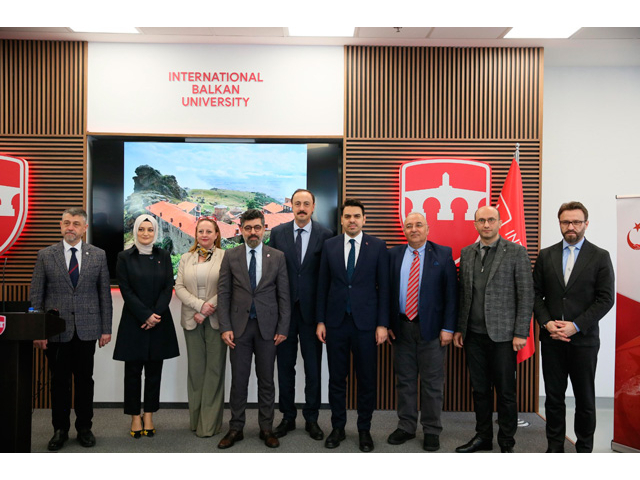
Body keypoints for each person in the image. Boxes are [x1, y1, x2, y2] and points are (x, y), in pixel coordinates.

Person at [533, 201, 614, 453]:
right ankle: (555, 448)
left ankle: (584, 450)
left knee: (585, 400)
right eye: (565, 222)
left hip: (584, 341)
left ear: (586, 224)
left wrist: (576, 326)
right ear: (559, 224)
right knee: (554, 399)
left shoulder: (600, 256)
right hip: (552, 339)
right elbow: (535, 295)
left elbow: (605, 299)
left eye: (576, 222)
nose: (571, 226)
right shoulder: (546, 255)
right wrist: (547, 324)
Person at [30, 207, 113, 451]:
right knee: (59, 382)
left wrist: (106, 328)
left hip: (88, 329)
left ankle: (85, 428)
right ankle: (60, 429)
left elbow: (104, 295)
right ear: (60, 225)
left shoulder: (98, 255)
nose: (71, 227)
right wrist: (38, 330)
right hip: (56, 331)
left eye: (76, 223)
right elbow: (36, 295)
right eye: (66, 222)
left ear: (85, 228)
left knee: (85, 382)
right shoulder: (46, 255)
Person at [453, 205, 534, 453]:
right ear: (475, 224)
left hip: (504, 337)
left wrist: (521, 332)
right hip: (473, 336)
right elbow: (463, 295)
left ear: (499, 223)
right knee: (480, 390)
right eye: (481, 221)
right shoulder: (467, 253)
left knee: (506, 392)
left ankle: (507, 442)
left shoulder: (516, 252)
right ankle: (483, 437)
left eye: (491, 220)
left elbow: (526, 294)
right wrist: (459, 329)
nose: (486, 224)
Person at [316, 198, 389, 452]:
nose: (352, 220)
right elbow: (322, 286)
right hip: (335, 324)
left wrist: (382, 324)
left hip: (367, 325)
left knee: (367, 379)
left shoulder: (378, 246)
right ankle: (337, 427)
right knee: (337, 379)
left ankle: (364, 429)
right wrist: (321, 320)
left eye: (357, 216)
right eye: (347, 216)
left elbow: (385, 289)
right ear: (342, 219)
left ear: (364, 219)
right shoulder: (330, 245)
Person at [217, 209, 290, 449]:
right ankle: (235, 428)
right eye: (248, 228)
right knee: (239, 381)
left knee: (267, 381)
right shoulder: (231, 256)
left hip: (268, 330)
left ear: (264, 228)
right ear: (241, 229)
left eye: (257, 227)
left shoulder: (277, 256)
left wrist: (283, 327)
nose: (253, 232)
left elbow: (284, 296)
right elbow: (224, 293)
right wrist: (225, 327)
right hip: (238, 329)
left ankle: (266, 428)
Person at [386, 212, 458, 452]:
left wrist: (448, 328)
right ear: (404, 230)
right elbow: (386, 292)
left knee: (432, 383)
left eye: (418, 225)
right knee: (404, 381)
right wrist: (387, 324)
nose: (414, 229)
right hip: (401, 328)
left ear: (427, 228)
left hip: (433, 331)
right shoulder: (393, 255)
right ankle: (406, 426)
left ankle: (431, 429)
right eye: (409, 226)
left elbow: (451, 295)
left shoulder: (443, 254)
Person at [270, 189, 333, 440]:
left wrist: (322, 318)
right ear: (292, 206)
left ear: (314, 207)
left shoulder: (326, 235)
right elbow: (271, 274)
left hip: (312, 316)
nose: (302, 208)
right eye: (298, 203)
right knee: (285, 368)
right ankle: (287, 417)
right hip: (284, 314)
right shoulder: (277, 233)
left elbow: (326, 280)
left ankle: (312, 418)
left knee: (312, 368)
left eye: (307, 203)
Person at [113, 214, 179, 439]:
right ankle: (134, 416)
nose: (146, 233)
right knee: (132, 373)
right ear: (135, 231)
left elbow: (167, 286)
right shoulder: (124, 257)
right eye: (142, 229)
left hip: (159, 322)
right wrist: (145, 315)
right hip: (134, 322)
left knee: (154, 373)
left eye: (150, 230)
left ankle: (149, 414)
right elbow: (126, 289)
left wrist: (155, 315)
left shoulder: (164, 255)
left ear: (155, 232)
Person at [175, 217, 227, 438]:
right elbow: (179, 287)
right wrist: (199, 307)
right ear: (195, 235)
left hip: (216, 321)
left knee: (214, 372)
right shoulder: (186, 258)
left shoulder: (226, 257)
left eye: (209, 231)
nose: (204, 235)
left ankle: (210, 424)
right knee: (196, 373)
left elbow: (227, 287)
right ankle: (196, 421)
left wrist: (207, 308)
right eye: (200, 231)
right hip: (191, 320)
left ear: (216, 235)